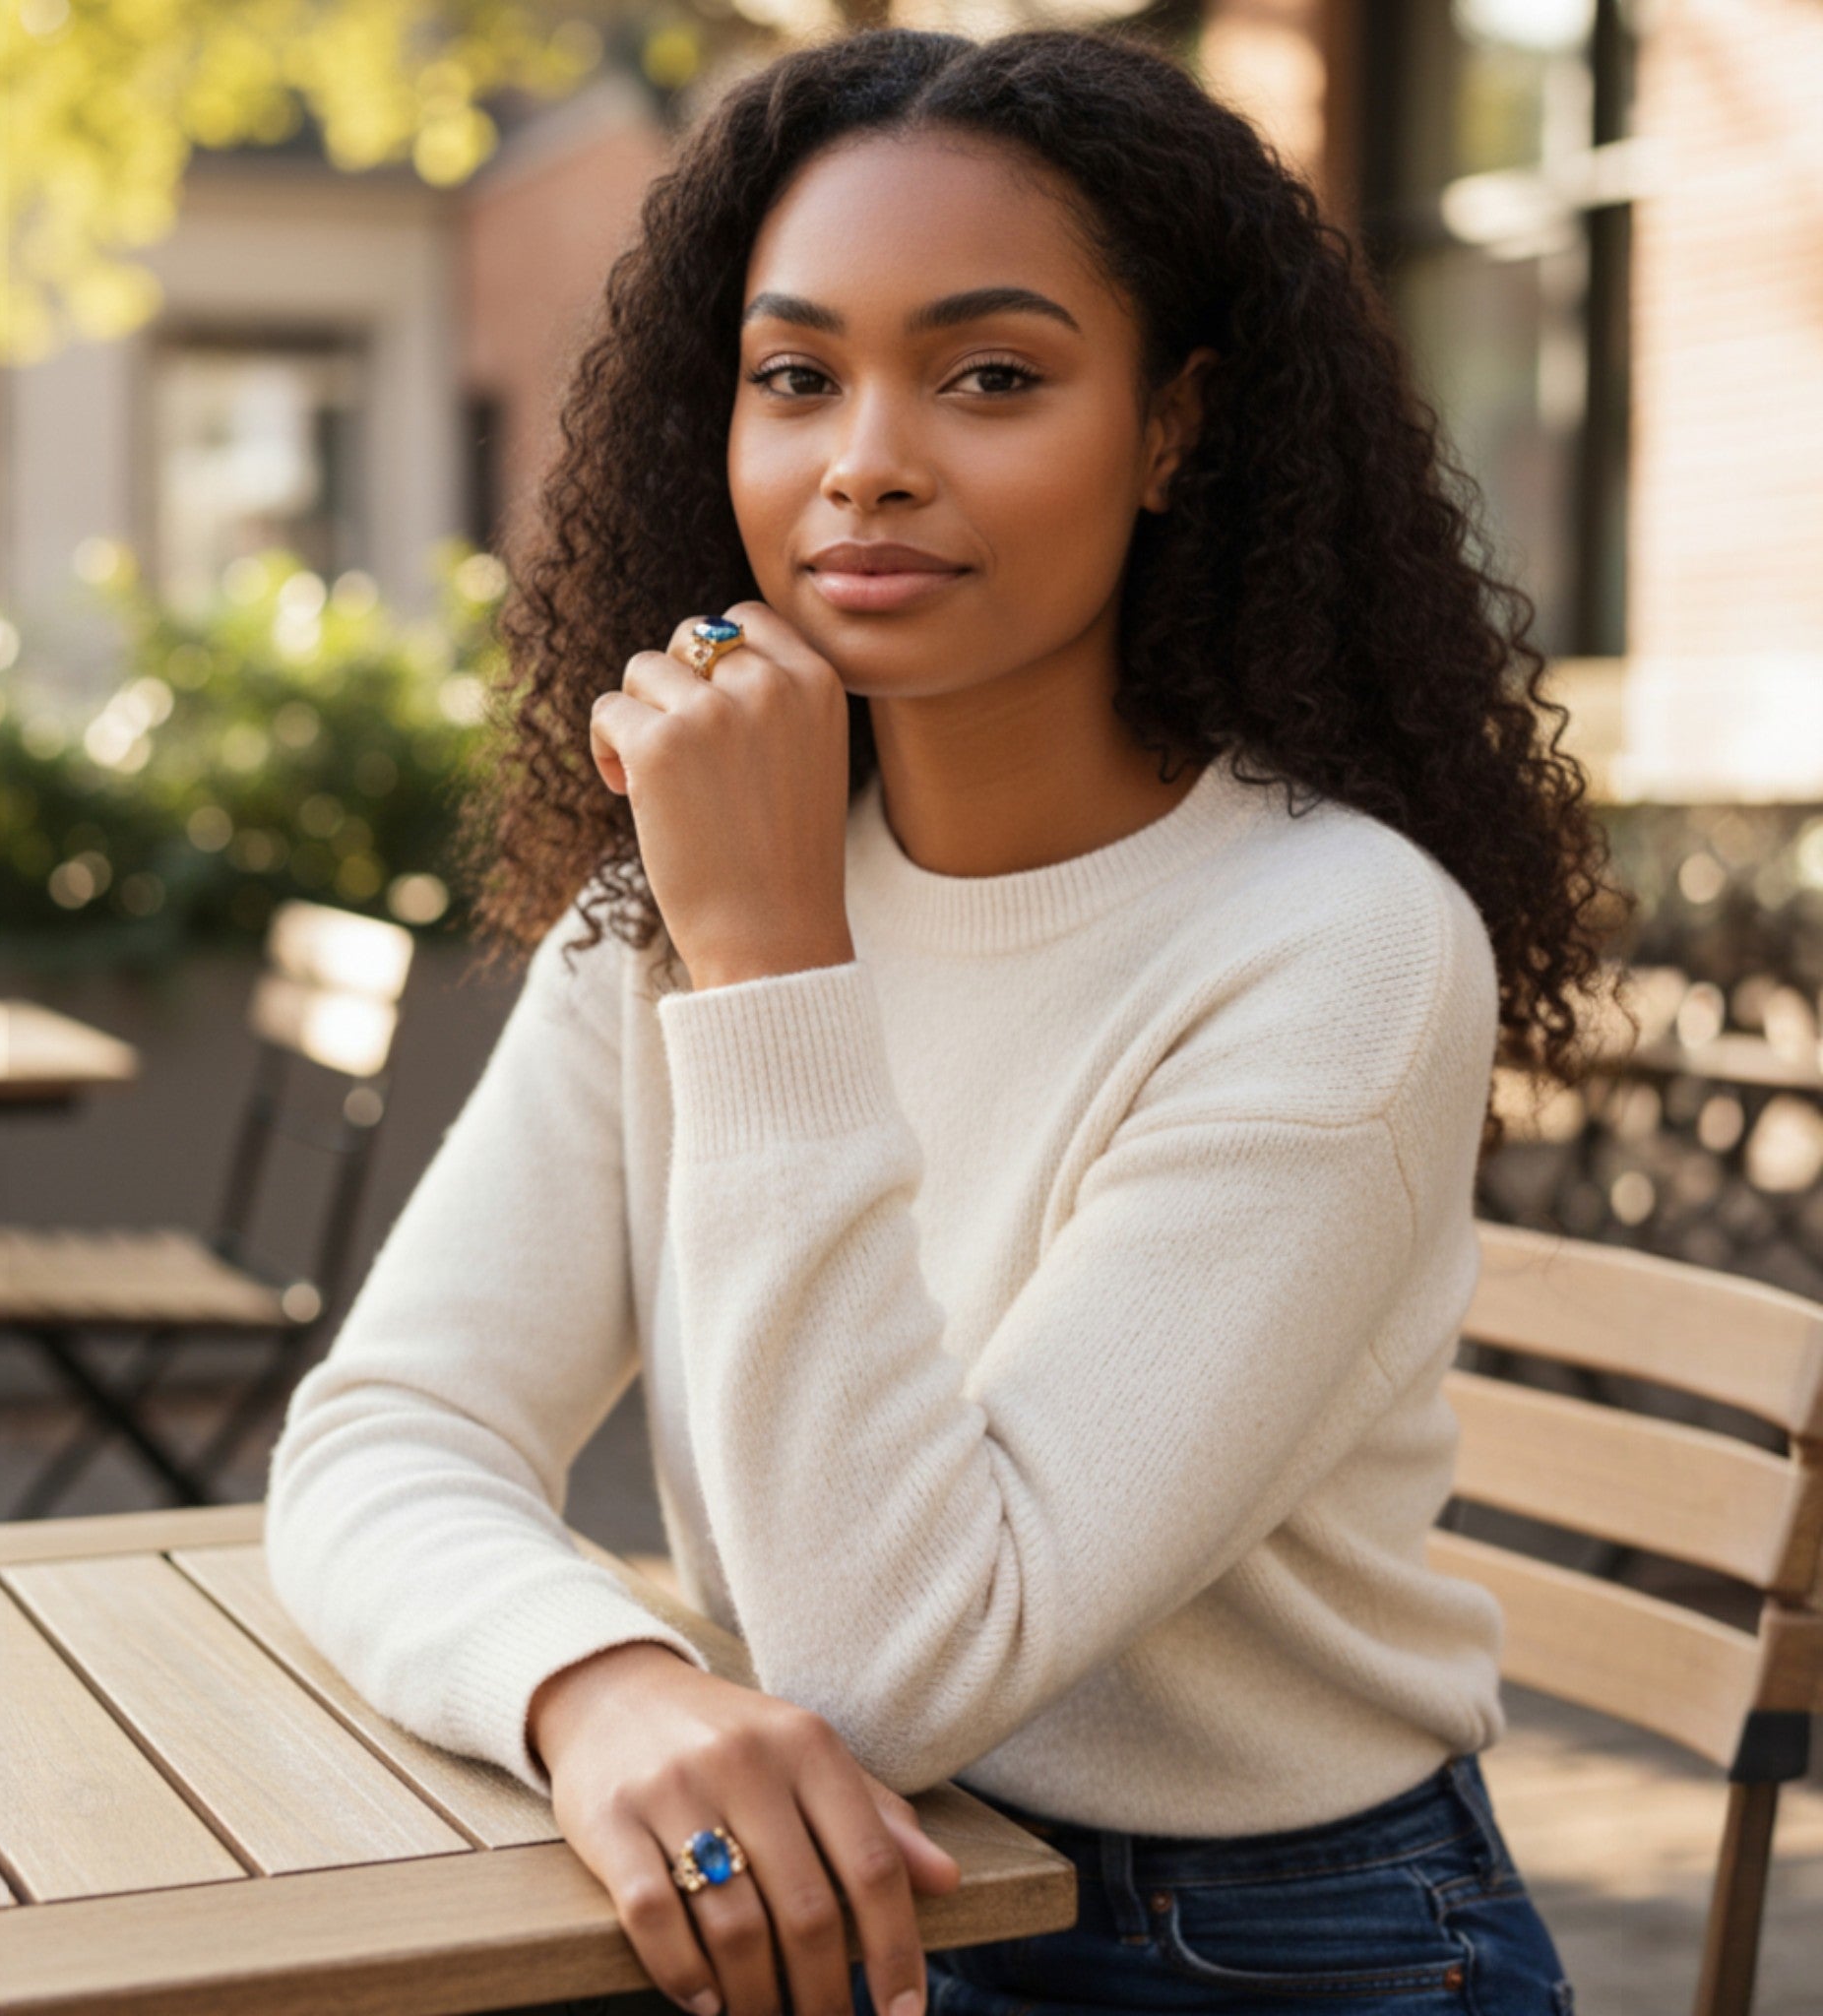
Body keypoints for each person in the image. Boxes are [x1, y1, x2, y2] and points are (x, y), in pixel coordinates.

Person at [264, 23, 1624, 2016]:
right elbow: (388, 1430)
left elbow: (893, 1662)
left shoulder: (1334, 945)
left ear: (1171, 429)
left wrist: (771, 965)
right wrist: (600, 1684)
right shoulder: (693, 884)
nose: (867, 459)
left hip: (1266, 1949)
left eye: (991, 375)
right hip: (826, 1891)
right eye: (795, 376)